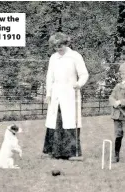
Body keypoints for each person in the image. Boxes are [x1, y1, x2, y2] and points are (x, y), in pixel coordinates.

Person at [43, 32, 89, 160]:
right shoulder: (53, 58)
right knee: (55, 122)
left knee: (69, 121)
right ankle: (54, 152)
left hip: (70, 93)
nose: (59, 48)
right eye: (56, 46)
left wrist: (78, 84)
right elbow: (49, 77)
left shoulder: (75, 56)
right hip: (56, 94)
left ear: (66, 43)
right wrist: (48, 93)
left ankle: (70, 153)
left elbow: (84, 74)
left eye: (61, 45)